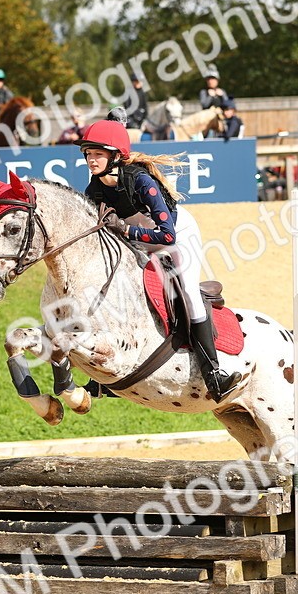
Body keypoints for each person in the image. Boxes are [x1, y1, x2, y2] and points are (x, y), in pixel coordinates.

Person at [76, 119, 243, 401]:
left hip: (178, 237)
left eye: (98, 154)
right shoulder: (94, 190)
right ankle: (108, 374)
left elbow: (167, 236)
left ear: (115, 156)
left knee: (188, 293)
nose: (91, 160)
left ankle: (214, 375)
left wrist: (125, 229)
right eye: (88, 154)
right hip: (140, 240)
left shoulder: (141, 181)